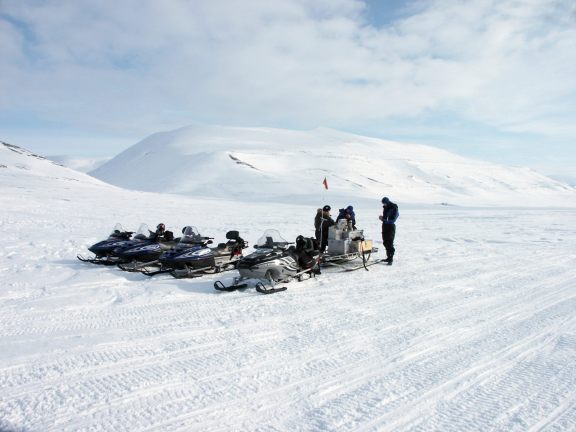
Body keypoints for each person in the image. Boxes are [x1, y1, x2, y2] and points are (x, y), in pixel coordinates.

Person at [379, 197, 399, 264]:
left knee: (390, 242)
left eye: (384, 203)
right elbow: (386, 217)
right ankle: (388, 257)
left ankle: (391, 258)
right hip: (385, 226)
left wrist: (384, 219)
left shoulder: (394, 207)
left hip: (390, 226)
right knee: (385, 242)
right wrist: (383, 219)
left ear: (387, 202)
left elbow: (393, 219)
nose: (383, 205)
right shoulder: (386, 207)